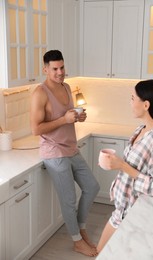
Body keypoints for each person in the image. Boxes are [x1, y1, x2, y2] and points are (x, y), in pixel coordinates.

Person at [30, 50, 100, 257]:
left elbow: (67, 116)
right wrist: (64, 120)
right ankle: (77, 241)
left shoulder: (67, 86)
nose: (60, 72)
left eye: (62, 67)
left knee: (92, 186)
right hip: (54, 152)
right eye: (55, 69)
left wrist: (78, 118)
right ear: (45, 69)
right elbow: (36, 129)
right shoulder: (39, 93)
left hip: (71, 147)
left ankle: (81, 228)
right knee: (69, 200)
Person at [97, 79, 153, 253]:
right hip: (121, 211)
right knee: (100, 250)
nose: (130, 103)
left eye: (133, 98)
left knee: (103, 252)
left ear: (146, 105)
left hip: (133, 214)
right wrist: (114, 163)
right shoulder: (140, 129)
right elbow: (133, 166)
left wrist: (122, 166)